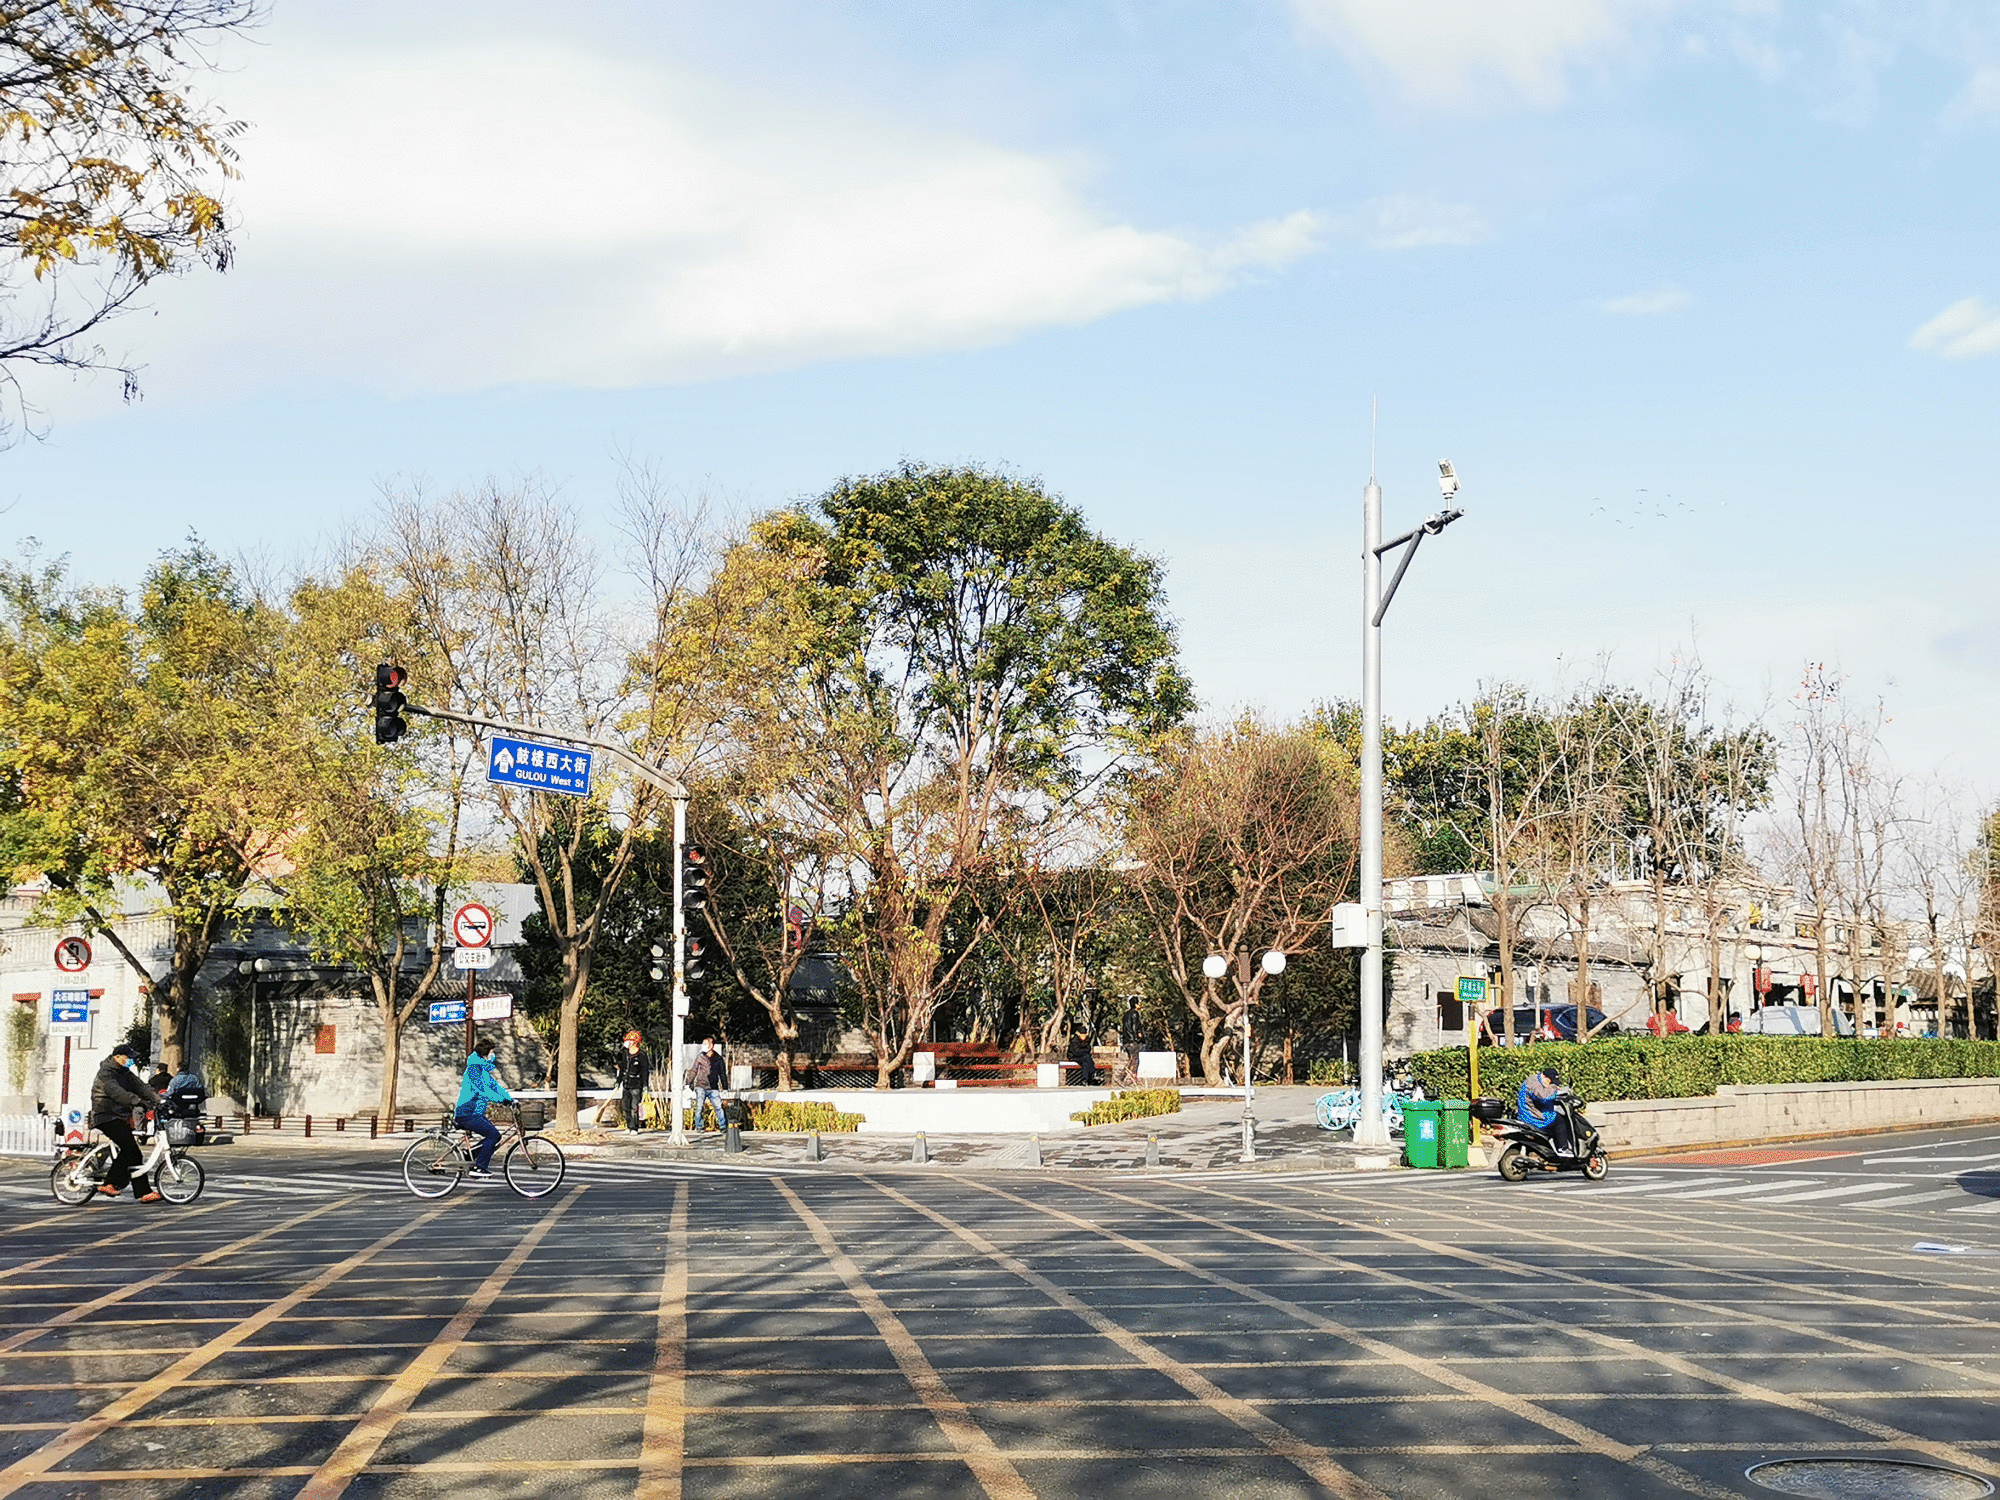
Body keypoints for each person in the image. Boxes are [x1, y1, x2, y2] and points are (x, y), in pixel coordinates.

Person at [90, 1041, 162, 1203]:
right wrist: (137, 1101)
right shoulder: (106, 1074)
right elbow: (118, 1093)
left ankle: (144, 1192)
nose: (130, 1060)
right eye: (128, 1057)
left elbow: (142, 1087)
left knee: (135, 1154)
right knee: (130, 1149)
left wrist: (159, 1100)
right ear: (117, 1057)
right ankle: (110, 1183)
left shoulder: (125, 1073)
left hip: (119, 1117)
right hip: (105, 1116)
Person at [454, 1040, 513, 1175]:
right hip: (466, 1113)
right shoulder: (474, 1069)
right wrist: (501, 1100)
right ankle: (479, 1167)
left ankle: (469, 1155)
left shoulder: (483, 1070)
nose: (494, 1055)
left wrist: (510, 1099)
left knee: (496, 1137)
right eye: (492, 1052)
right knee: (493, 1135)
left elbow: (495, 1087)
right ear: (485, 1054)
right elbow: (483, 1090)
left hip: (475, 1113)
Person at [1516, 1067, 1568, 1155]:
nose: (1552, 1085)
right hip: (1530, 1116)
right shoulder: (1533, 1083)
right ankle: (1562, 1149)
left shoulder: (1536, 1080)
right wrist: (1555, 1088)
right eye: (1551, 1082)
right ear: (1545, 1078)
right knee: (1559, 1121)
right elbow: (1544, 1096)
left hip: (1533, 1112)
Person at [613, 1030, 650, 1133]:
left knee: (634, 1107)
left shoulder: (641, 1055)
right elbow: (622, 1069)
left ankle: (634, 1127)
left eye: (629, 1040)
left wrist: (645, 1085)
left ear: (634, 1042)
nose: (627, 1042)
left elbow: (645, 1071)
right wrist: (618, 1082)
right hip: (626, 1083)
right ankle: (629, 1126)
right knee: (626, 1106)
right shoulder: (625, 1054)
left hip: (636, 1085)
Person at [688, 1038, 726, 1133]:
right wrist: (688, 1082)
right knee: (699, 1107)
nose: (703, 1046)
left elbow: (722, 1073)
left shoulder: (718, 1059)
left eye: (706, 1044)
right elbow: (694, 1070)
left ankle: (723, 1126)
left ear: (711, 1046)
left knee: (718, 1107)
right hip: (701, 1086)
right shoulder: (700, 1057)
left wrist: (725, 1087)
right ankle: (699, 1126)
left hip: (713, 1087)